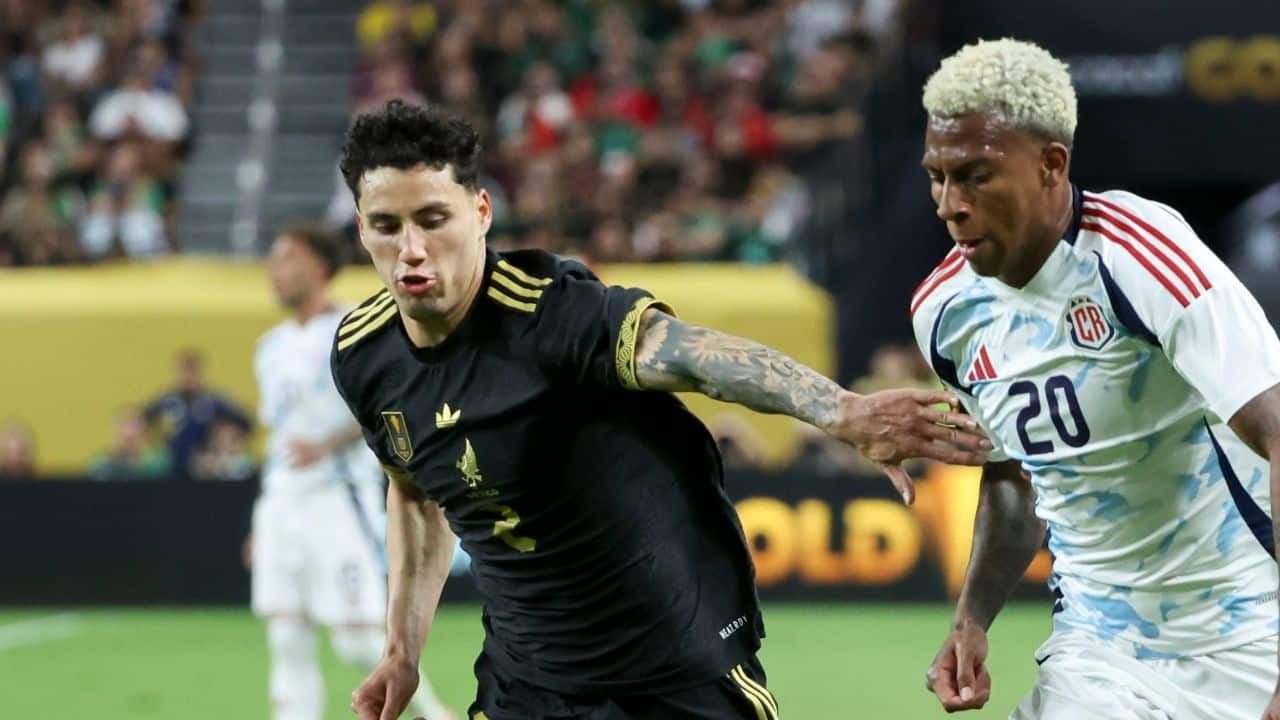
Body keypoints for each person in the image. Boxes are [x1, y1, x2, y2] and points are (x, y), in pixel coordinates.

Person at [332, 100, 989, 720]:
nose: (411, 248)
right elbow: (414, 491)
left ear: (480, 212)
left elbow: (697, 358)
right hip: (527, 683)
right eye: (387, 226)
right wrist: (402, 651)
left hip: (671, 665)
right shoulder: (364, 357)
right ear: (362, 229)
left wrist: (841, 411)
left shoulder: (551, 313)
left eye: (433, 219)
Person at [911, 39, 1280, 720]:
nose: (949, 204)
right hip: (1099, 652)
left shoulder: (1140, 258)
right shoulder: (944, 314)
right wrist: (971, 619)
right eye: (937, 177)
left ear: (1051, 164)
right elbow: (1014, 479)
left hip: (1250, 637)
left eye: (974, 176)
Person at [250, 224, 453, 720]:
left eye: (287, 259)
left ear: (320, 267)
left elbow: (386, 408)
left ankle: (432, 713)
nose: (275, 271)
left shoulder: (353, 331)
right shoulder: (269, 346)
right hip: (282, 505)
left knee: (357, 641)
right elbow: (280, 437)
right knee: (286, 636)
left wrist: (327, 444)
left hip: (337, 497)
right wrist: (265, 513)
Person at [143, 348, 252, 476]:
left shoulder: (213, 401)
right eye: (184, 371)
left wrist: (227, 446)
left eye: (192, 371)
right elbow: (143, 420)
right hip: (170, 466)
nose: (188, 377)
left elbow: (244, 422)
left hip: (205, 469)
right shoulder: (167, 401)